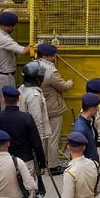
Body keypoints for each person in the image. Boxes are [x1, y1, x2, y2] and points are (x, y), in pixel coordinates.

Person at [36, 43, 73, 175]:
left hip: (39, 107)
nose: (54, 58)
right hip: (53, 109)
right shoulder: (51, 72)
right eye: (52, 56)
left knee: (43, 137)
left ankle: (43, 162)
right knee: (52, 138)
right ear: (45, 57)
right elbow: (63, 86)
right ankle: (52, 165)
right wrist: (70, 81)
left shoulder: (32, 67)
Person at [45, 132, 99, 198]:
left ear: (68, 147)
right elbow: (98, 189)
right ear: (84, 147)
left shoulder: (70, 172)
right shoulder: (94, 164)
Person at [0, 12, 30, 112]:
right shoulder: (4, 39)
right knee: (8, 107)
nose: (14, 29)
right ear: (7, 26)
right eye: (13, 26)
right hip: (5, 77)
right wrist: (35, 46)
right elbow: (24, 51)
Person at [71, 93, 100, 163]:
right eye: (97, 107)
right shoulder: (80, 129)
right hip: (87, 165)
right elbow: (77, 154)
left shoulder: (89, 120)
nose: (98, 109)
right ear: (92, 109)